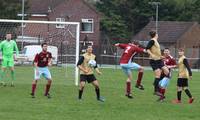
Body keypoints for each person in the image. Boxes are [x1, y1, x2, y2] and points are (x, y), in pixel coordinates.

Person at [146, 30, 169, 96]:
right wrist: (152, 55)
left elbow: (156, 51)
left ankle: (156, 82)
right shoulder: (152, 40)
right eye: (157, 33)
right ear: (156, 34)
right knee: (158, 75)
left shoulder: (155, 41)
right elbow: (147, 49)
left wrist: (161, 56)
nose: (157, 34)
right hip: (154, 61)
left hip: (159, 60)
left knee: (167, 72)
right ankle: (156, 91)